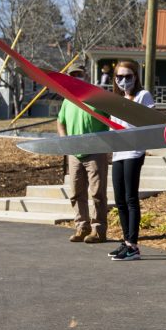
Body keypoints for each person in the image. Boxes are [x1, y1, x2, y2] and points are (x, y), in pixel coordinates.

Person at [107, 60, 154, 262]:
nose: (124, 81)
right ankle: (126, 240)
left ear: (135, 77)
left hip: (134, 152)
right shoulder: (115, 99)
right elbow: (112, 128)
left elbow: (147, 121)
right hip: (118, 153)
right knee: (119, 200)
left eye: (128, 76)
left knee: (130, 198)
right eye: (120, 77)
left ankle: (133, 245)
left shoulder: (143, 96)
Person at [57, 63, 109, 244]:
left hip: (96, 150)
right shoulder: (67, 99)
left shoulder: (97, 96)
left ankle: (98, 229)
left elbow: (112, 120)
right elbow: (60, 122)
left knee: (97, 192)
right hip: (74, 152)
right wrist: (65, 141)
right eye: (72, 75)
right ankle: (81, 227)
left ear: (85, 75)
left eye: (79, 74)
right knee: (76, 192)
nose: (75, 77)